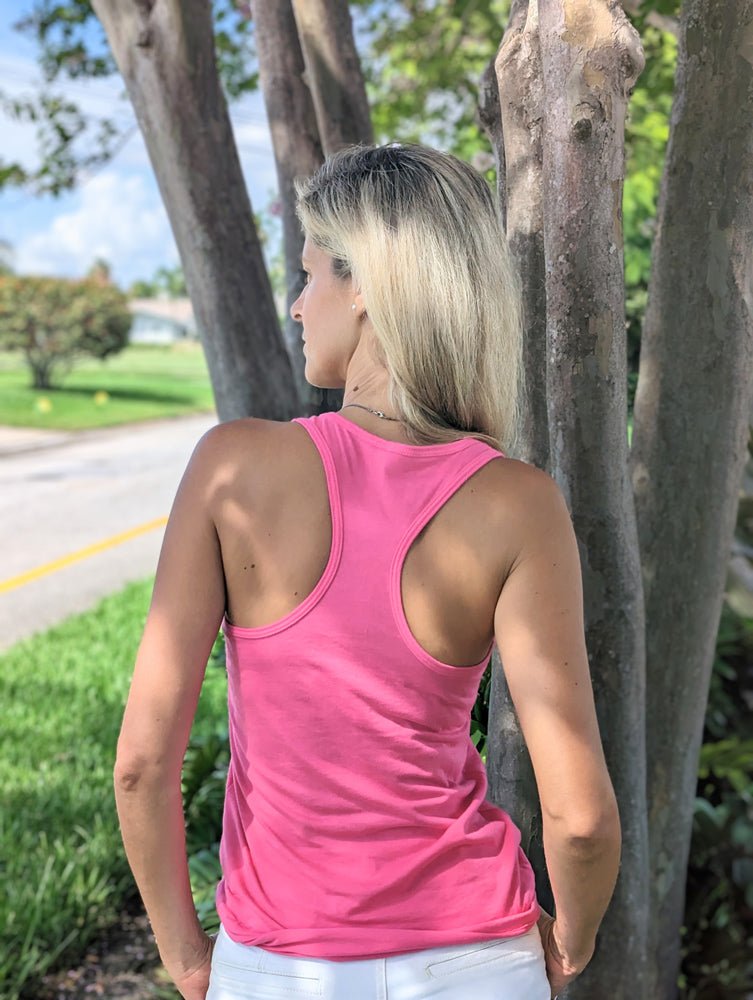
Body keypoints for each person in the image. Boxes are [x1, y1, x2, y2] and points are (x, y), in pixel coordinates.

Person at [113, 141, 622, 1000]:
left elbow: (141, 766)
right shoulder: (517, 503)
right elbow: (578, 819)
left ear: (366, 288)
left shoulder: (232, 468)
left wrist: (189, 955)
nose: (298, 305)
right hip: (477, 961)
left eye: (311, 275)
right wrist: (569, 942)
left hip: (279, 963)